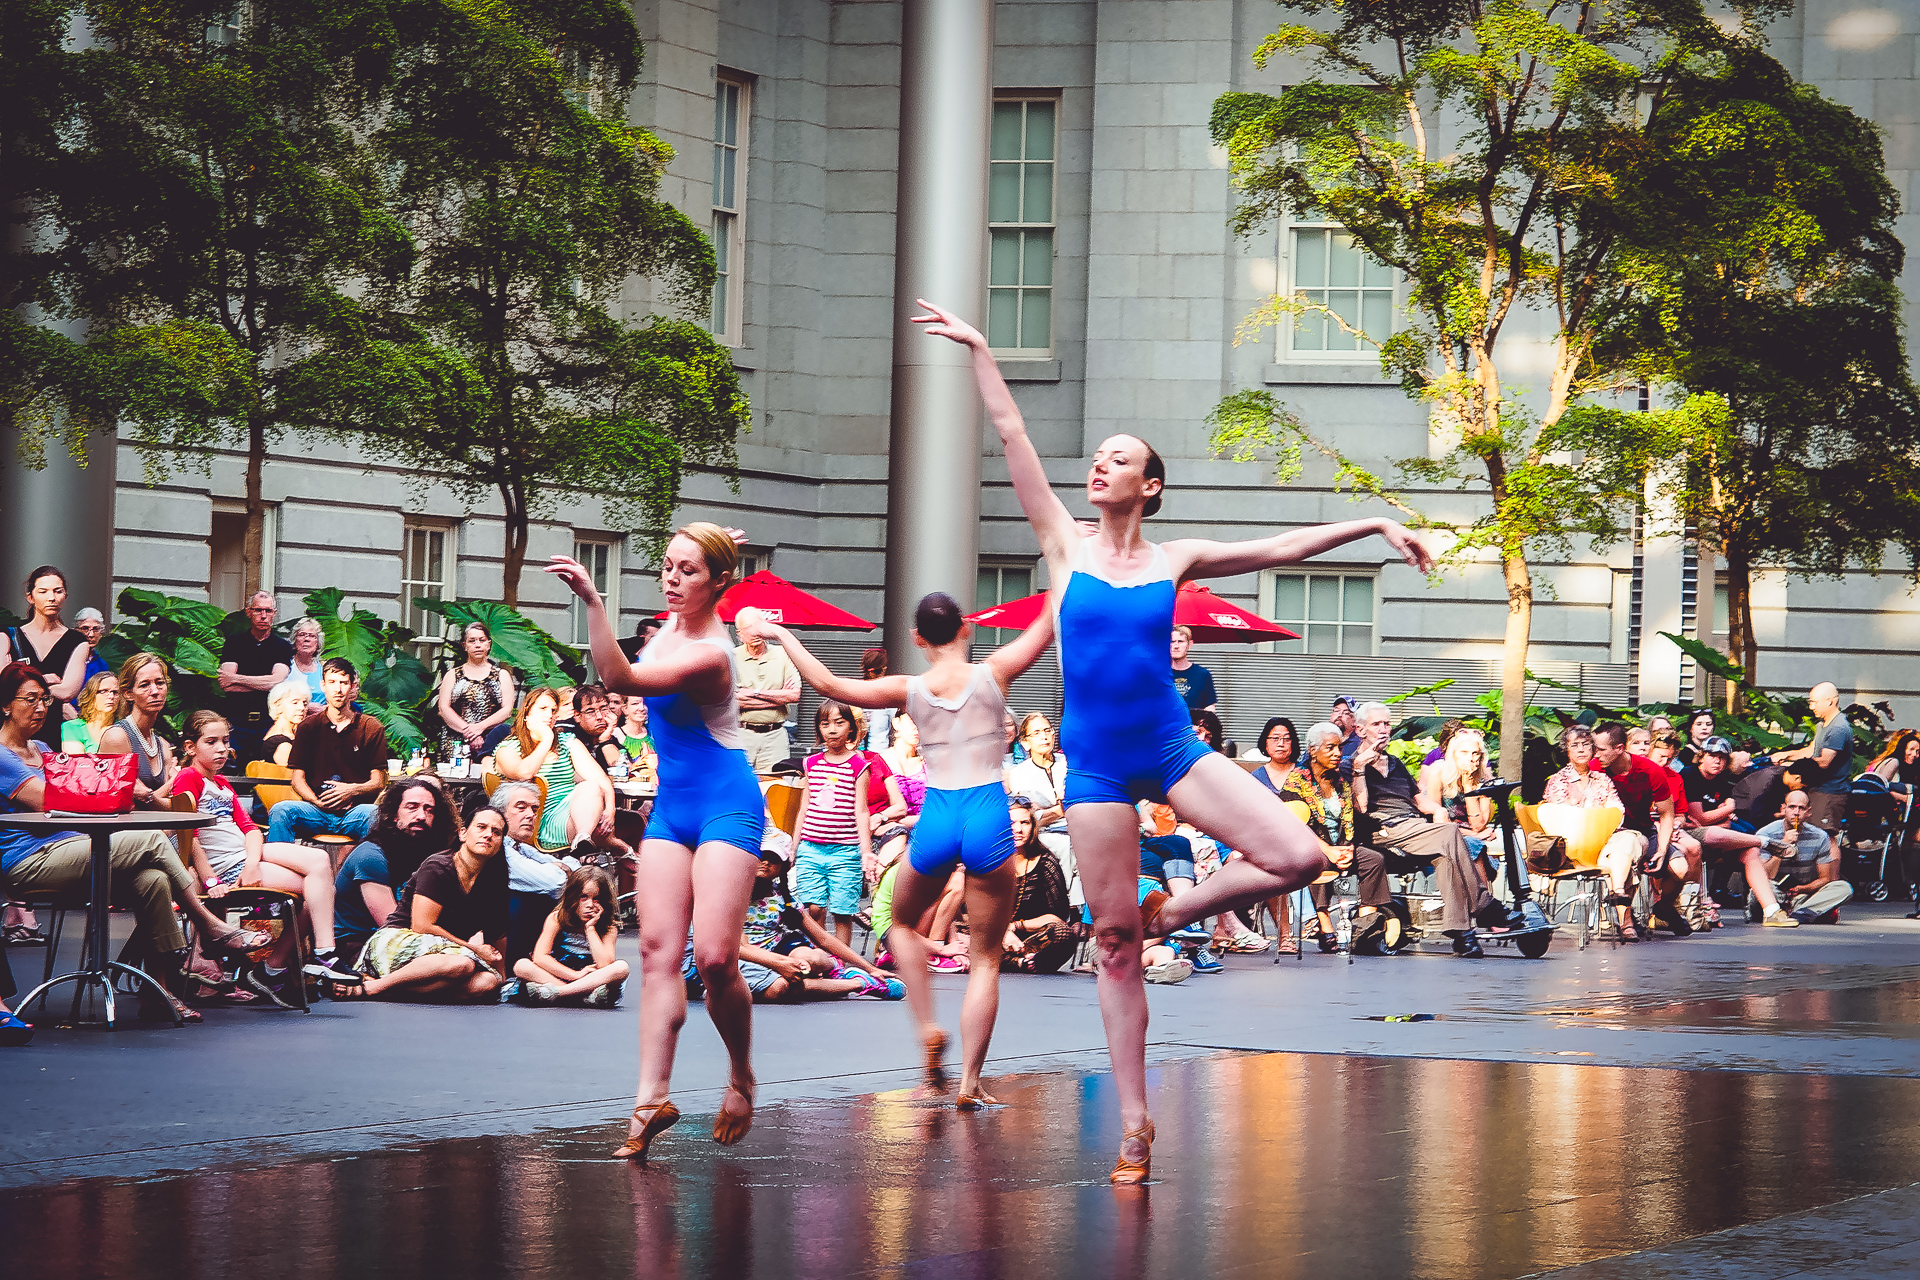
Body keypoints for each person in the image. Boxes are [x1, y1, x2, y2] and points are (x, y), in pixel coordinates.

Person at [918, 296, 1435, 1183]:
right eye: (1098, 456)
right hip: (1093, 766)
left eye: (1119, 458)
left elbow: (1277, 549)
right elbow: (1012, 440)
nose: (1099, 464)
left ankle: (1177, 912)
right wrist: (978, 350)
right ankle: (1133, 1123)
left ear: (1148, 485)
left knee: (1300, 855)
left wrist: (1377, 525)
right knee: (1113, 945)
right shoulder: (1062, 545)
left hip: (1169, 749)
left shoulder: (1174, 559)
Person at [745, 591, 1054, 1107]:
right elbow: (1048, 624)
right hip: (986, 813)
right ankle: (970, 1082)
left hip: (937, 816)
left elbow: (827, 684)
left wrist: (779, 634)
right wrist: (1069, 556)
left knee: (898, 924)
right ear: (966, 630)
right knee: (984, 961)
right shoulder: (993, 672)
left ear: (916, 639)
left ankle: (927, 1023)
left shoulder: (908, 690)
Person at [549, 522, 768, 1160]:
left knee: (717, 959)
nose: (671, 579)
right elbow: (694, 587)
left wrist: (592, 601)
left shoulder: (712, 655)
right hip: (673, 807)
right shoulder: (673, 625)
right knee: (654, 952)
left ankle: (740, 1076)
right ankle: (649, 1102)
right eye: (667, 566)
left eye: (688, 571)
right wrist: (709, 546)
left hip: (727, 802)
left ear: (720, 582)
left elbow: (617, 679)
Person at [0, 662, 268, 1022]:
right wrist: (106, 791)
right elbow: (52, 799)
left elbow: (82, 794)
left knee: (153, 880)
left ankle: (161, 990)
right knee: (153, 841)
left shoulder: (42, 747)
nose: (40, 707)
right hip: (28, 861)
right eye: (30, 699)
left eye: (44, 699)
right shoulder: (2, 755)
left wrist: (105, 791)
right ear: (5, 705)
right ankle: (208, 925)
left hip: (72, 848)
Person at [172, 710, 361, 984]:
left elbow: (250, 830)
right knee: (318, 890)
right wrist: (210, 879)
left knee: (319, 869)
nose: (222, 749)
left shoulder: (222, 783)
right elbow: (190, 836)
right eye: (211, 742)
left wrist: (251, 864)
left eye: (225, 741)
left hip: (244, 859)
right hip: (225, 868)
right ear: (190, 747)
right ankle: (296, 962)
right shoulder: (188, 778)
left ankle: (312, 956)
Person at [1352, 701, 1517, 954]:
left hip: (1414, 827)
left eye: (1387, 724)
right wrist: (1359, 768)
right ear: (1360, 730)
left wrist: (1437, 809)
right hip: (1384, 829)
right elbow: (1361, 807)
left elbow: (1417, 798)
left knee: (1446, 857)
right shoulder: (1350, 765)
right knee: (1450, 833)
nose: (1384, 729)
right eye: (1377, 724)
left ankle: (1462, 933)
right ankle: (1485, 906)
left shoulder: (1395, 763)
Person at [339, 804, 511, 1003]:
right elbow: (422, 926)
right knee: (462, 966)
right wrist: (473, 949)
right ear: (463, 833)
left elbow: (498, 934)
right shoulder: (438, 866)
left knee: (487, 982)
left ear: (500, 843)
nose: (488, 835)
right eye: (481, 827)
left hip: (446, 953)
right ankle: (373, 987)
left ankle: (392, 992)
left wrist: (501, 977)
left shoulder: (494, 881)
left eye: (496, 832)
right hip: (402, 938)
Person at [1282, 722, 1395, 952]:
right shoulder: (1296, 782)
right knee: (1317, 860)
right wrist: (1328, 850)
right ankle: (1325, 927)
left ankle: (1365, 926)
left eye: (1339, 748)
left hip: (1339, 846)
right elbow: (1295, 827)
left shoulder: (1340, 781)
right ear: (1313, 751)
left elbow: (1348, 820)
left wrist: (1348, 849)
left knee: (1373, 860)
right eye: (1330, 748)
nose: (1337, 754)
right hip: (1309, 846)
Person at [1678, 737, 1801, 927]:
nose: (1717, 761)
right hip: (1690, 834)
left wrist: (1721, 816)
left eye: (1722, 757)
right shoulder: (1690, 774)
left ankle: (1772, 911)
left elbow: (1724, 822)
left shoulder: (1722, 781)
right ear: (1702, 757)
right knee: (1720, 834)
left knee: (1750, 851)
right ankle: (1764, 841)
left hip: (1719, 833)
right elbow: (1701, 818)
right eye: (1712, 756)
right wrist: (1727, 809)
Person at [332, 778, 457, 963]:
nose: (421, 816)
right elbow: (392, 927)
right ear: (393, 815)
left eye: (429, 810)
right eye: (412, 807)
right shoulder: (371, 856)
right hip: (359, 946)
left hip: (409, 940)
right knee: (457, 966)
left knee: (481, 979)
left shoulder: (426, 851)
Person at [267, 658, 388, 845]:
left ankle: (366, 870)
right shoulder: (308, 727)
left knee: (373, 814)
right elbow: (297, 778)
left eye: (343, 683)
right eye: (332, 682)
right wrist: (316, 801)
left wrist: (351, 790)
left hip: (354, 812)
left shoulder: (370, 727)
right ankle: (277, 868)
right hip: (315, 811)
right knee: (281, 810)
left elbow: (378, 782)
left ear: (353, 686)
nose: (337, 690)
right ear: (323, 685)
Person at [1592, 721, 1694, 937]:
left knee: (1680, 869)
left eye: (1600, 749)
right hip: (1607, 834)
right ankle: (1626, 921)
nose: (1596, 754)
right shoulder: (1594, 767)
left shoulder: (1650, 771)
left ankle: (1664, 908)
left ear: (1619, 749)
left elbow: (1668, 813)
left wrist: (1662, 850)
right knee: (1626, 858)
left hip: (1644, 829)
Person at [1541, 725, 1643, 939]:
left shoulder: (1603, 780)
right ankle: (1625, 919)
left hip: (1604, 842)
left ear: (1593, 750)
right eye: (1574, 745)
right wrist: (1596, 814)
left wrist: (1597, 816)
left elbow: (1617, 813)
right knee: (1622, 855)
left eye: (1586, 745)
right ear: (1566, 751)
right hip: (1572, 846)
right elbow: (1561, 818)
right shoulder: (1558, 781)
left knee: (1627, 841)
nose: (1580, 750)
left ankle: (1617, 893)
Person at [790, 699, 875, 946]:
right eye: (825, 724)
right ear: (818, 729)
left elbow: (861, 810)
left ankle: (841, 968)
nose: (832, 729)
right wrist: (794, 846)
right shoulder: (811, 763)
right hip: (810, 848)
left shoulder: (859, 766)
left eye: (839, 723)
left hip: (845, 851)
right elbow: (804, 806)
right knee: (813, 908)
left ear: (851, 728)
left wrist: (866, 851)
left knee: (842, 911)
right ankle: (818, 958)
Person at [493, 686, 614, 855]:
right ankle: (613, 849)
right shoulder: (508, 748)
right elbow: (525, 773)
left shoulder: (566, 741)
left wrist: (610, 811)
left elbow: (602, 781)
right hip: (536, 820)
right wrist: (546, 739)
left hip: (579, 816)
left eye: (553, 710)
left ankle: (583, 843)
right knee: (616, 831)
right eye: (542, 709)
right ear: (527, 713)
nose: (549, 715)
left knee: (594, 789)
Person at [515, 865, 630, 1006]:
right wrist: (574, 975)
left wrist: (590, 929)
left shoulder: (608, 928)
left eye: (597, 899)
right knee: (521, 965)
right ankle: (580, 996)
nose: (590, 905)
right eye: (584, 897)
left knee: (621, 968)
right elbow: (540, 957)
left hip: (591, 979)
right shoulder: (556, 918)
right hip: (560, 974)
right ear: (572, 897)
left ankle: (558, 993)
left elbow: (605, 964)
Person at [1, 566, 92, 713]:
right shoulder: (8, 635)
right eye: (43, 592)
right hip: (10, 725)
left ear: (65, 596)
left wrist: (22, 687)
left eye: (58, 591)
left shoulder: (76, 640)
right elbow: (3, 684)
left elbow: (67, 691)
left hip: (49, 725)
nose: (52, 598)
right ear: (30, 597)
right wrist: (45, 680)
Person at [216, 591, 292, 765]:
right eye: (258, 610)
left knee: (268, 770)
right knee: (229, 766)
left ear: (274, 613)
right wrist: (266, 682)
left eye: (268, 611)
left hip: (268, 721)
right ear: (248, 612)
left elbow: (278, 682)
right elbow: (227, 685)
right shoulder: (234, 642)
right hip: (236, 720)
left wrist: (237, 678)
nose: (263, 616)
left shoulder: (282, 646)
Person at [1002, 801, 1078, 973]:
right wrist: (1002, 933)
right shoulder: (987, 860)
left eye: (1025, 823)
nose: (1018, 830)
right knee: (968, 940)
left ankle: (1021, 960)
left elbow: (1057, 918)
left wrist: (1015, 926)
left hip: (1031, 938)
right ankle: (1019, 963)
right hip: (990, 935)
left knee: (1064, 935)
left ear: (1033, 826)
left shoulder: (1045, 862)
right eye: (1011, 823)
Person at [96, 653, 179, 808]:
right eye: (144, 685)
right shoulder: (117, 737)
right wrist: (173, 782)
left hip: (157, 827)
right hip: (120, 829)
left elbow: (173, 804)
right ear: (128, 694)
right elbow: (131, 805)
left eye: (160, 682)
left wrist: (149, 796)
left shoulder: (163, 745)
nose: (155, 691)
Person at [1774, 682, 1855, 837]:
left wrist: (1795, 767)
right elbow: (1811, 751)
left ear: (1830, 701)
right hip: (1817, 791)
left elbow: (1824, 761)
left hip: (1830, 793)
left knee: (1826, 837)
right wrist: (1786, 755)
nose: (1811, 707)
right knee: (1811, 835)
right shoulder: (1822, 725)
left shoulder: (1838, 728)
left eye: (1814, 702)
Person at [1757, 791, 1851, 922]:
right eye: (1792, 807)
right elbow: (1764, 875)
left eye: (1801, 808)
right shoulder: (1766, 834)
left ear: (1808, 812)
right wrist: (1783, 845)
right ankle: (1797, 913)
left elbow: (1825, 878)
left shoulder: (1819, 836)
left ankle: (1798, 914)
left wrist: (1803, 889)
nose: (1796, 812)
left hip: (1801, 895)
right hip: (1773, 892)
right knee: (1761, 889)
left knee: (1843, 888)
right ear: (1783, 809)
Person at [437, 621, 517, 761]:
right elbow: (443, 708)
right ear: (464, 645)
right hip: (455, 741)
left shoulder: (501, 675)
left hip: (492, 740)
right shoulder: (453, 675)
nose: (477, 645)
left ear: (489, 644)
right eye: (472, 641)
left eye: (482, 640)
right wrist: (470, 732)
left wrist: (480, 727)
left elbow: (507, 709)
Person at [735, 621, 800, 773]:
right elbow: (730, 701)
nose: (755, 634)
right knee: (739, 785)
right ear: (739, 634)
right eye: (749, 629)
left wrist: (753, 693)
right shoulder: (731, 657)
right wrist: (777, 698)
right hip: (742, 734)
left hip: (775, 735)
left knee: (776, 786)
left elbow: (794, 695)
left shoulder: (783, 654)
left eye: (758, 629)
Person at [60, 671, 120, 753]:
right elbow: (78, 762)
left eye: (115, 692)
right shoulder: (72, 727)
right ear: (90, 695)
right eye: (104, 691)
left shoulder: (124, 728)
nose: (111, 696)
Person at [260, 678, 311, 769]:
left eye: (305, 703)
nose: (301, 708)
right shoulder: (280, 743)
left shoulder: (296, 734)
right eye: (295, 703)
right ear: (278, 705)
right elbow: (297, 773)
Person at [1169, 625, 1217, 714]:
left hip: (1194, 726)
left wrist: (1201, 726)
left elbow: (1210, 707)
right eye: (1172, 641)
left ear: (1190, 644)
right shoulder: (1160, 674)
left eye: (1180, 641)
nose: (1176, 646)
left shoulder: (1202, 675)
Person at [860, 648, 896, 751]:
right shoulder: (889, 695)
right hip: (879, 753)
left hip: (855, 753)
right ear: (883, 669)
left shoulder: (855, 691)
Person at [287, 617, 325, 700]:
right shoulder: (286, 666)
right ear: (295, 639)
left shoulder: (324, 668)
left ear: (318, 642)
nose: (307, 639)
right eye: (302, 635)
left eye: (312, 636)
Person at [72, 607, 110, 684]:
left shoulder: (101, 664)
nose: (91, 634)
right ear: (75, 630)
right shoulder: (65, 658)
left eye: (96, 629)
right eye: (85, 628)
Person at [1330, 696, 1361, 768]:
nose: (1339, 715)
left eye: (1346, 713)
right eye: (1336, 711)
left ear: (1355, 720)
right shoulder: (1322, 739)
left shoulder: (1360, 743)